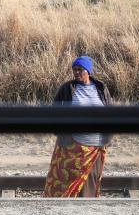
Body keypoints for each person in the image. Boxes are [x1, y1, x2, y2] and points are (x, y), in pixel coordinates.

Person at [43, 55, 112, 197]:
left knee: (89, 188)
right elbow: (54, 112)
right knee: (63, 184)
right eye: (74, 70)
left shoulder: (101, 88)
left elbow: (110, 113)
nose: (76, 73)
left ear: (88, 71)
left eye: (80, 69)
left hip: (95, 149)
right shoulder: (67, 88)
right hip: (72, 148)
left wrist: (108, 136)